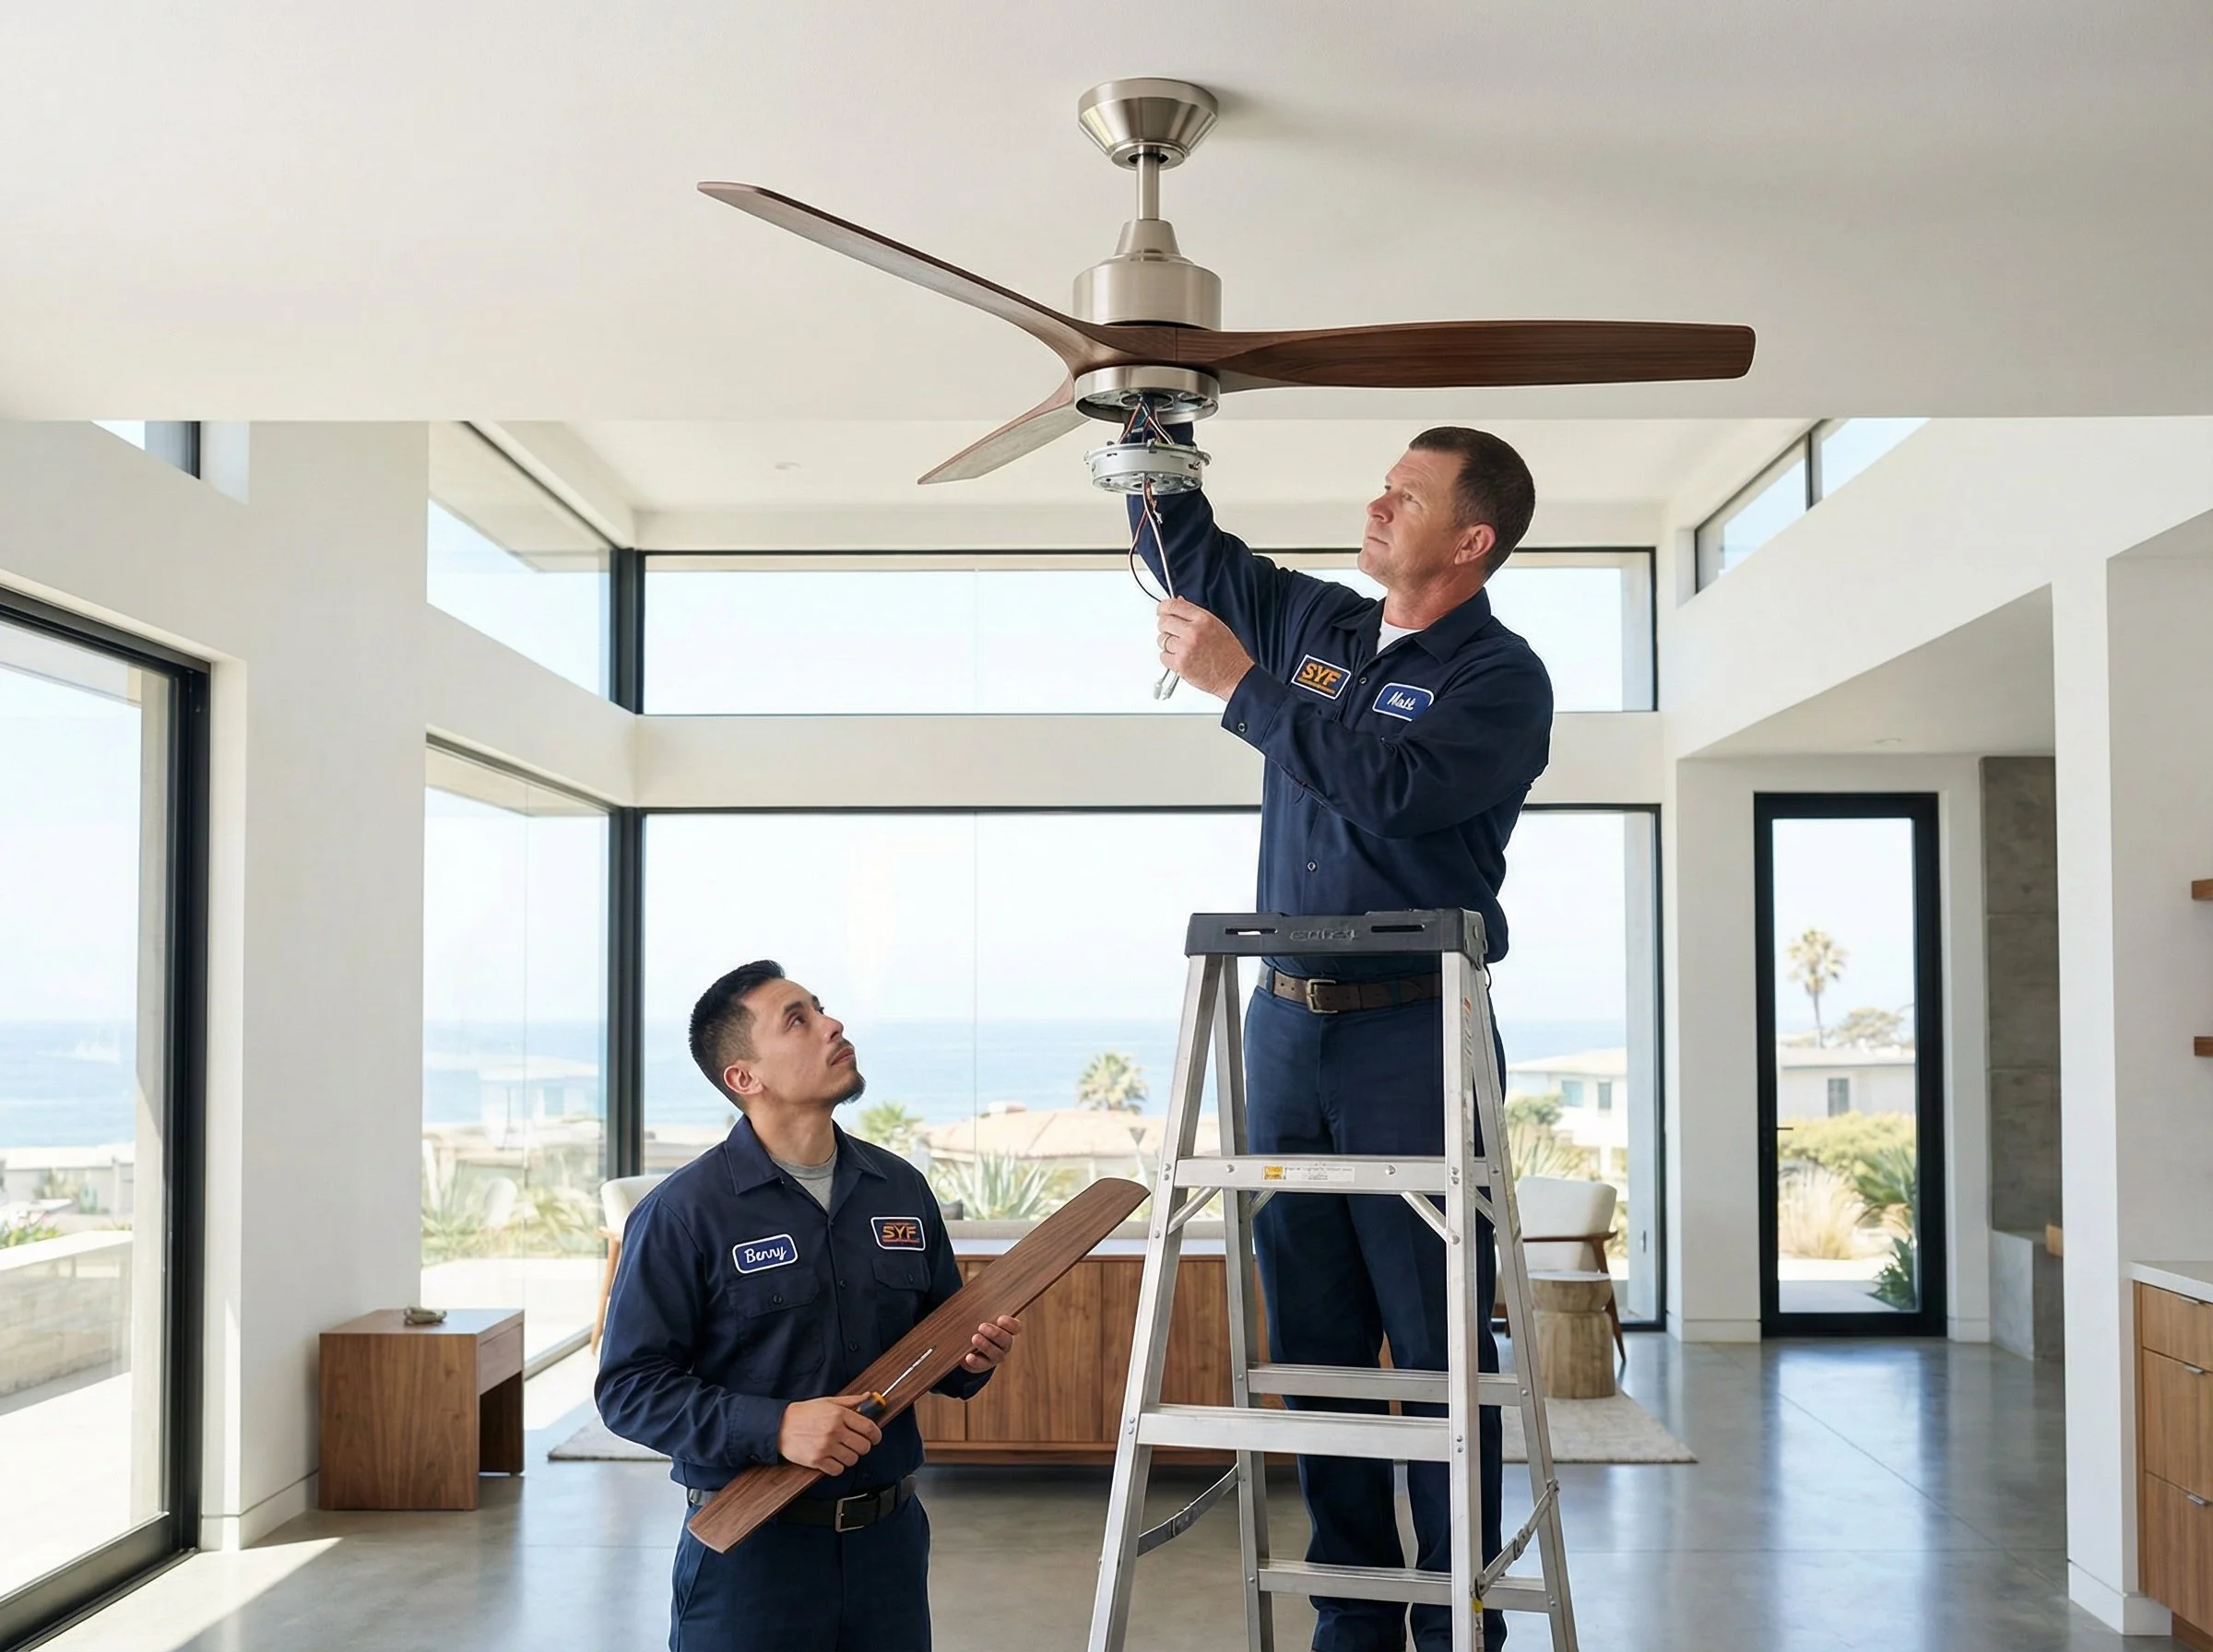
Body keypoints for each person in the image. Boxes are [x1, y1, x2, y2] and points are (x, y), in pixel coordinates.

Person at [1140, 426, 1553, 1652]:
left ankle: (1456, 1620)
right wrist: (1153, 442)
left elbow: (1397, 789)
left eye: (1408, 496)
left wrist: (1242, 690)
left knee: (1434, 1355)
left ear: (1470, 542)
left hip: (1415, 1037)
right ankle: (1353, 1618)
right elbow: (1195, 562)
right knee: (1314, 1344)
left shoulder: (1500, 679)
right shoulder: (1317, 623)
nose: (1376, 504)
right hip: (1283, 1031)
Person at [597, 961, 1023, 1652]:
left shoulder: (900, 1188)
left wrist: (971, 1359)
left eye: (820, 1008)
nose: (832, 1025)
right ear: (745, 1077)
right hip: (752, 1557)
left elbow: (937, 1344)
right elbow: (629, 1392)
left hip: (890, 1548)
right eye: (797, 1019)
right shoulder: (682, 1214)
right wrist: (778, 1427)